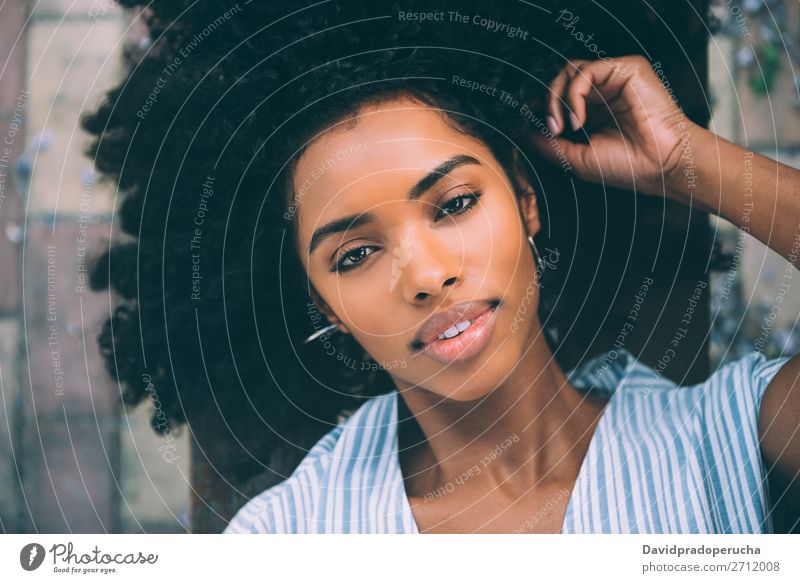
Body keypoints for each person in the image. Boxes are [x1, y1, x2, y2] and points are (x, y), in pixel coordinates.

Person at [82, 1, 799, 534]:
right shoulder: (290, 536)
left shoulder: (731, 438)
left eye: (453, 203)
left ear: (525, 198)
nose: (425, 274)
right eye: (356, 254)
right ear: (322, 301)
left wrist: (689, 163)